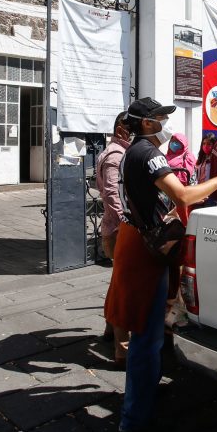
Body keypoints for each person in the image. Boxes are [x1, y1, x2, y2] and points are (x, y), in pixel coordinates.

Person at [104, 97, 217, 432]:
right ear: (147, 124)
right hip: (144, 249)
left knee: (149, 330)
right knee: (145, 333)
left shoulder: (134, 152)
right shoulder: (148, 153)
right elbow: (183, 195)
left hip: (138, 241)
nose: (165, 123)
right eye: (160, 118)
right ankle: (134, 419)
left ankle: (145, 394)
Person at [97, 111, 132, 363]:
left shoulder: (115, 152)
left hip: (114, 228)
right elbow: (112, 194)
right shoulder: (116, 155)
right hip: (118, 230)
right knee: (124, 289)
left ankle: (110, 330)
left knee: (117, 282)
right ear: (121, 129)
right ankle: (123, 350)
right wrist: (127, 224)